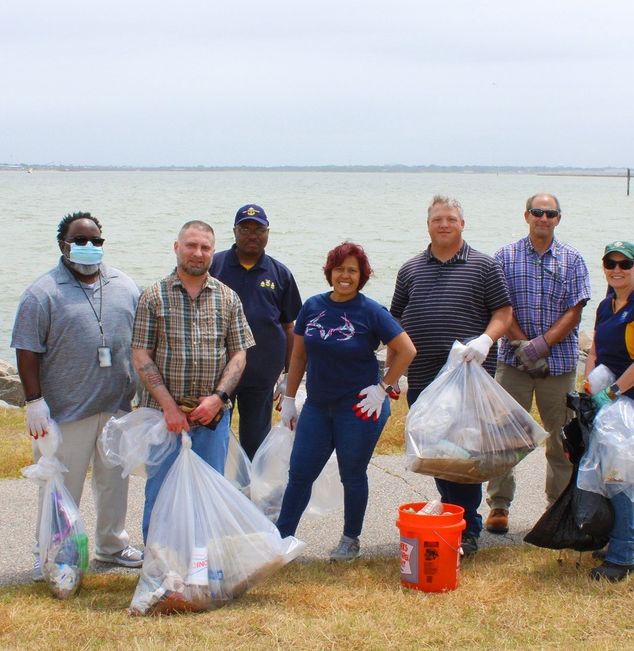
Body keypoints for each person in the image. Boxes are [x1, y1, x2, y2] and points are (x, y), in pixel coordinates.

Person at [12, 211, 144, 580]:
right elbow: (26, 349)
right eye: (80, 241)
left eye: (96, 241)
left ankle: (112, 544)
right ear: (63, 244)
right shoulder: (42, 293)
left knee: (115, 481)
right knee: (60, 488)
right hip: (66, 412)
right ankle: (53, 553)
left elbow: (142, 342)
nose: (89, 247)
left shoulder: (125, 285)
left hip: (116, 406)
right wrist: (34, 401)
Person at [276, 243, 415, 561]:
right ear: (330, 272)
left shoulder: (371, 311)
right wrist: (288, 398)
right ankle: (281, 539)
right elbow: (298, 356)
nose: (345, 275)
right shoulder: (312, 307)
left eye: (352, 270)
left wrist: (383, 389)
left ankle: (350, 540)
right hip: (316, 406)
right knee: (299, 473)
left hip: (358, 408)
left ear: (362, 275)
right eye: (339, 269)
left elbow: (406, 350)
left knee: (351, 474)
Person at [390, 194, 512, 556]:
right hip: (426, 379)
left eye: (451, 219)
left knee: (464, 454)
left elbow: (503, 313)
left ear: (462, 224)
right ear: (428, 224)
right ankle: (454, 515)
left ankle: (468, 528)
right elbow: (395, 322)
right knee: (438, 454)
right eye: (437, 219)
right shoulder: (410, 269)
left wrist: (487, 340)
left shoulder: (485, 266)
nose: (444, 224)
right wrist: (391, 372)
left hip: (468, 378)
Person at [132, 220, 255, 543]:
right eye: (191, 245)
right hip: (164, 418)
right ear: (177, 247)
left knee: (209, 490)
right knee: (160, 491)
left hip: (211, 417)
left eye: (204, 248)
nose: (197, 253)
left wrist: (216, 398)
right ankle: (159, 567)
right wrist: (170, 408)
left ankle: (202, 565)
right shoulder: (153, 297)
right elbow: (141, 354)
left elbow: (239, 354)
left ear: (213, 253)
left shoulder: (228, 298)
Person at [486, 193, 590, 534]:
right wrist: (522, 345)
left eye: (550, 213)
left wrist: (543, 345)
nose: (543, 218)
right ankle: (499, 506)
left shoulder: (573, 259)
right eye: (537, 212)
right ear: (526, 215)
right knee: (503, 437)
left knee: (561, 441)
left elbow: (575, 311)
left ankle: (557, 509)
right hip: (512, 364)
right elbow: (501, 307)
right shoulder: (505, 256)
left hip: (558, 366)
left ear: (558, 218)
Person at [583, 240, 634, 582]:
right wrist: (589, 386)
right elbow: (595, 351)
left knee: (618, 479)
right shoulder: (606, 305)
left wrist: (613, 393)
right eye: (610, 263)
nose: (617, 270)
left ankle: (620, 556)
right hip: (609, 399)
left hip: (632, 400)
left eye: (624, 264)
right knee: (625, 473)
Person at [210, 204, 302, 458]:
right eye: (245, 229)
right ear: (234, 231)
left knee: (255, 443)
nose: (252, 235)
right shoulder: (214, 267)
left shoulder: (280, 273)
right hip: (218, 373)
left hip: (261, 375)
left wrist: (288, 375)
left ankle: (251, 493)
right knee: (214, 439)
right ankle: (217, 492)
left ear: (268, 233)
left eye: (258, 229)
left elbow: (289, 326)